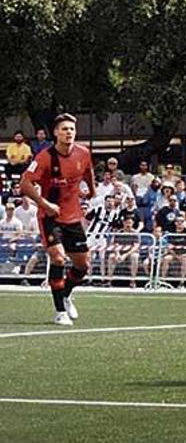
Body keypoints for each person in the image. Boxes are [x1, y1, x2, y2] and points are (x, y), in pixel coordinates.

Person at [20, 113, 96, 326]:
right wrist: (45, 204)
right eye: (64, 129)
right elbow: (24, 184)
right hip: (50, 216)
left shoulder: (83, 153)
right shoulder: (44, 157)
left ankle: (66, 293)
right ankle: (60, 311)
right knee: (59, 258)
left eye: (71, 129)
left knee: (83, 265)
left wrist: (91, 190)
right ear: (55, 133)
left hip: (73, 217)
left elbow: (88, 171)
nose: (68, 132)